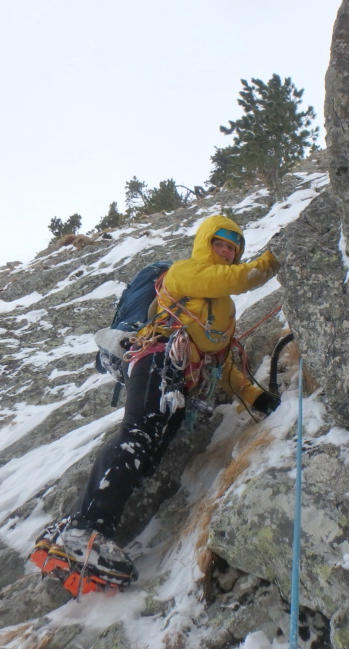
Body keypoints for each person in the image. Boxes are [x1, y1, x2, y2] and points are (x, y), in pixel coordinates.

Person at [38, 214, 281, 586]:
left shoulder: (226, 309)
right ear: (205, 243)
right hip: (157, 360)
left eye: (233, 248)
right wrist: (272, 260)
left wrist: (256, 397)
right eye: (220, 243)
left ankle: (85, 531)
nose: (227, 252)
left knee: (148, 452)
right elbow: (239, 278)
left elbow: (224, 363)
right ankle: (85, 528)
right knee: (137, 436)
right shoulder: (185, 273)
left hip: (181, 381)